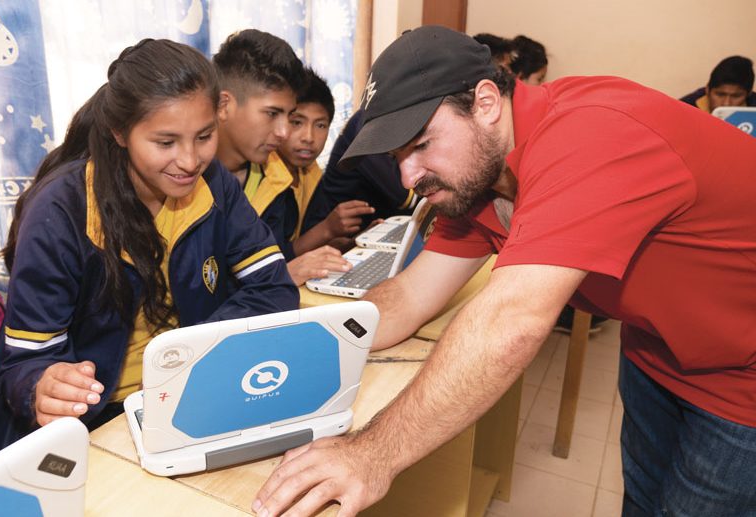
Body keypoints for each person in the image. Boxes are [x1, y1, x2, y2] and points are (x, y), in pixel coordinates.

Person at [253, 26, 756, 517]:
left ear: (487, 103)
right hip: (658, 349)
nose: (408, 176)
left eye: (422, 144)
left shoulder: (590, 134)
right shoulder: (479, 180)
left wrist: (371, 453)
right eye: (397, 156)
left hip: (742, 376)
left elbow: (510, 323)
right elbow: (407, 298)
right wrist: (295, 353)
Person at [0, 38, 298, 460]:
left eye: (204, 136)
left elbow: (274, 289)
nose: (189, 160)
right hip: (93, 423)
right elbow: (24, 365)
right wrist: (44, 386)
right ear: (119, 132)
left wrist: (190, 355)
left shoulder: (214, 183)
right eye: (165, 143)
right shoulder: (62, 209)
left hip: (187, 401)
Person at [213, 30, 356, 285]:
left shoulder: (275, 180)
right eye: (271, 113)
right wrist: (283, 276)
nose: (283, 132)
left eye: (288, 116)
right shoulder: (183, 175)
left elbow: (266, 264)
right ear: (224, 105)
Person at [268, 67, 378, 285]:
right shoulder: (268, 177)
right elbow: (273, 262)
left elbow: (307, 248)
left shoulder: (311, 173)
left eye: (320, 125)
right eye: (297, 122)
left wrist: (358, 240)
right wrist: (327, 229)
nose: (309, 137)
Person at [301, 109, 417, 245]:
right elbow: (407, 196)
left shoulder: (399, 118)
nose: (308, 137)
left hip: (368, 233)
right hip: (332, 241)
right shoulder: (370, 121)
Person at [681, 55, 756, 113]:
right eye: (720, 94)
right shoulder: (685, 107)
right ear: (707, 90)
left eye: (736, 96)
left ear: (749, 94)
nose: (726, 103)